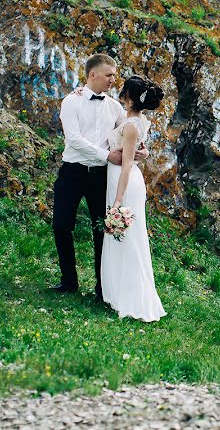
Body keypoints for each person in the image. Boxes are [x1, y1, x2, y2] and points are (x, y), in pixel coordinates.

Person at [50, 54, 147, 300]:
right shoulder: (71, 102)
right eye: (109, 75)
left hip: (100, 176)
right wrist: (107, 155)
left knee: (102, 231)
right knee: (61, 225)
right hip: (72, 170)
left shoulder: (115, 107)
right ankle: (68, 281)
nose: (113, 80)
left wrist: (143, 150)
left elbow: (130, 134)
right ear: (92, 74)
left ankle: (103, 289)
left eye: (114, 75)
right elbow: (73, 139)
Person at [101, 75, 167, 322]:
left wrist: (118, 201)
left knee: (127, 239)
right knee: (127, 238)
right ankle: (118, 293)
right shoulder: (140, 121)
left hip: (124, 181)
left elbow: (127, 164)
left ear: (129, 97)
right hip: (126, 179)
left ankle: (129, 297)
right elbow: (140, 150)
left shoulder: (130, 126)